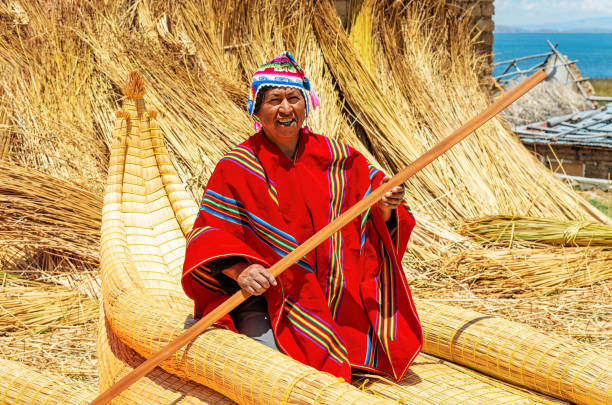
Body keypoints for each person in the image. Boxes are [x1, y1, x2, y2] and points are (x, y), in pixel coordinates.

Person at [182, 51, 422, 382]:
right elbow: (210, 236)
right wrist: (241, 271)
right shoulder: (237, 167)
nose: (285, 109)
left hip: (332, 296)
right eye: (274, 100)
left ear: (306, 105)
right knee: (272, 370)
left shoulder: (337, 156)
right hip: (270, 298)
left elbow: (373, 205)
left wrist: (386, 205)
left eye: (293, 98)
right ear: (257, 109)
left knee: (362, 353)